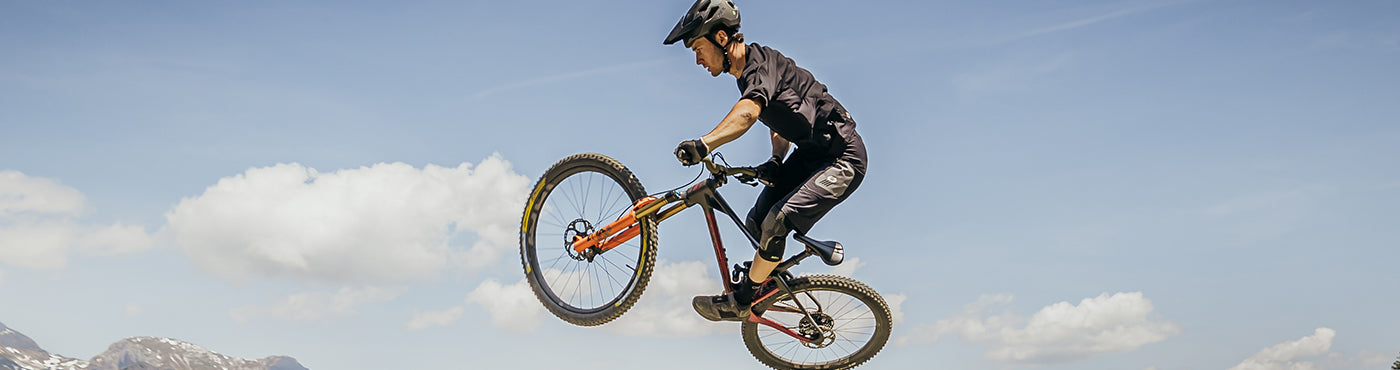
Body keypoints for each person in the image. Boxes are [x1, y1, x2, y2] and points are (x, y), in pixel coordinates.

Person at [665, 0, 868, 322]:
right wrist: (776, 160)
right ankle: (769, 285)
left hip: (843, 159)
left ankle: (742, 300)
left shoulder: (759, 65)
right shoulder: (750, 74)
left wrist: (703, 144)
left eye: (697, 48)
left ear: (720, 38)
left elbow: (747, 114)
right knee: (757, 222)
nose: (697, 59)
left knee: (777, 221)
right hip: (812, 157)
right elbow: (780, 121)